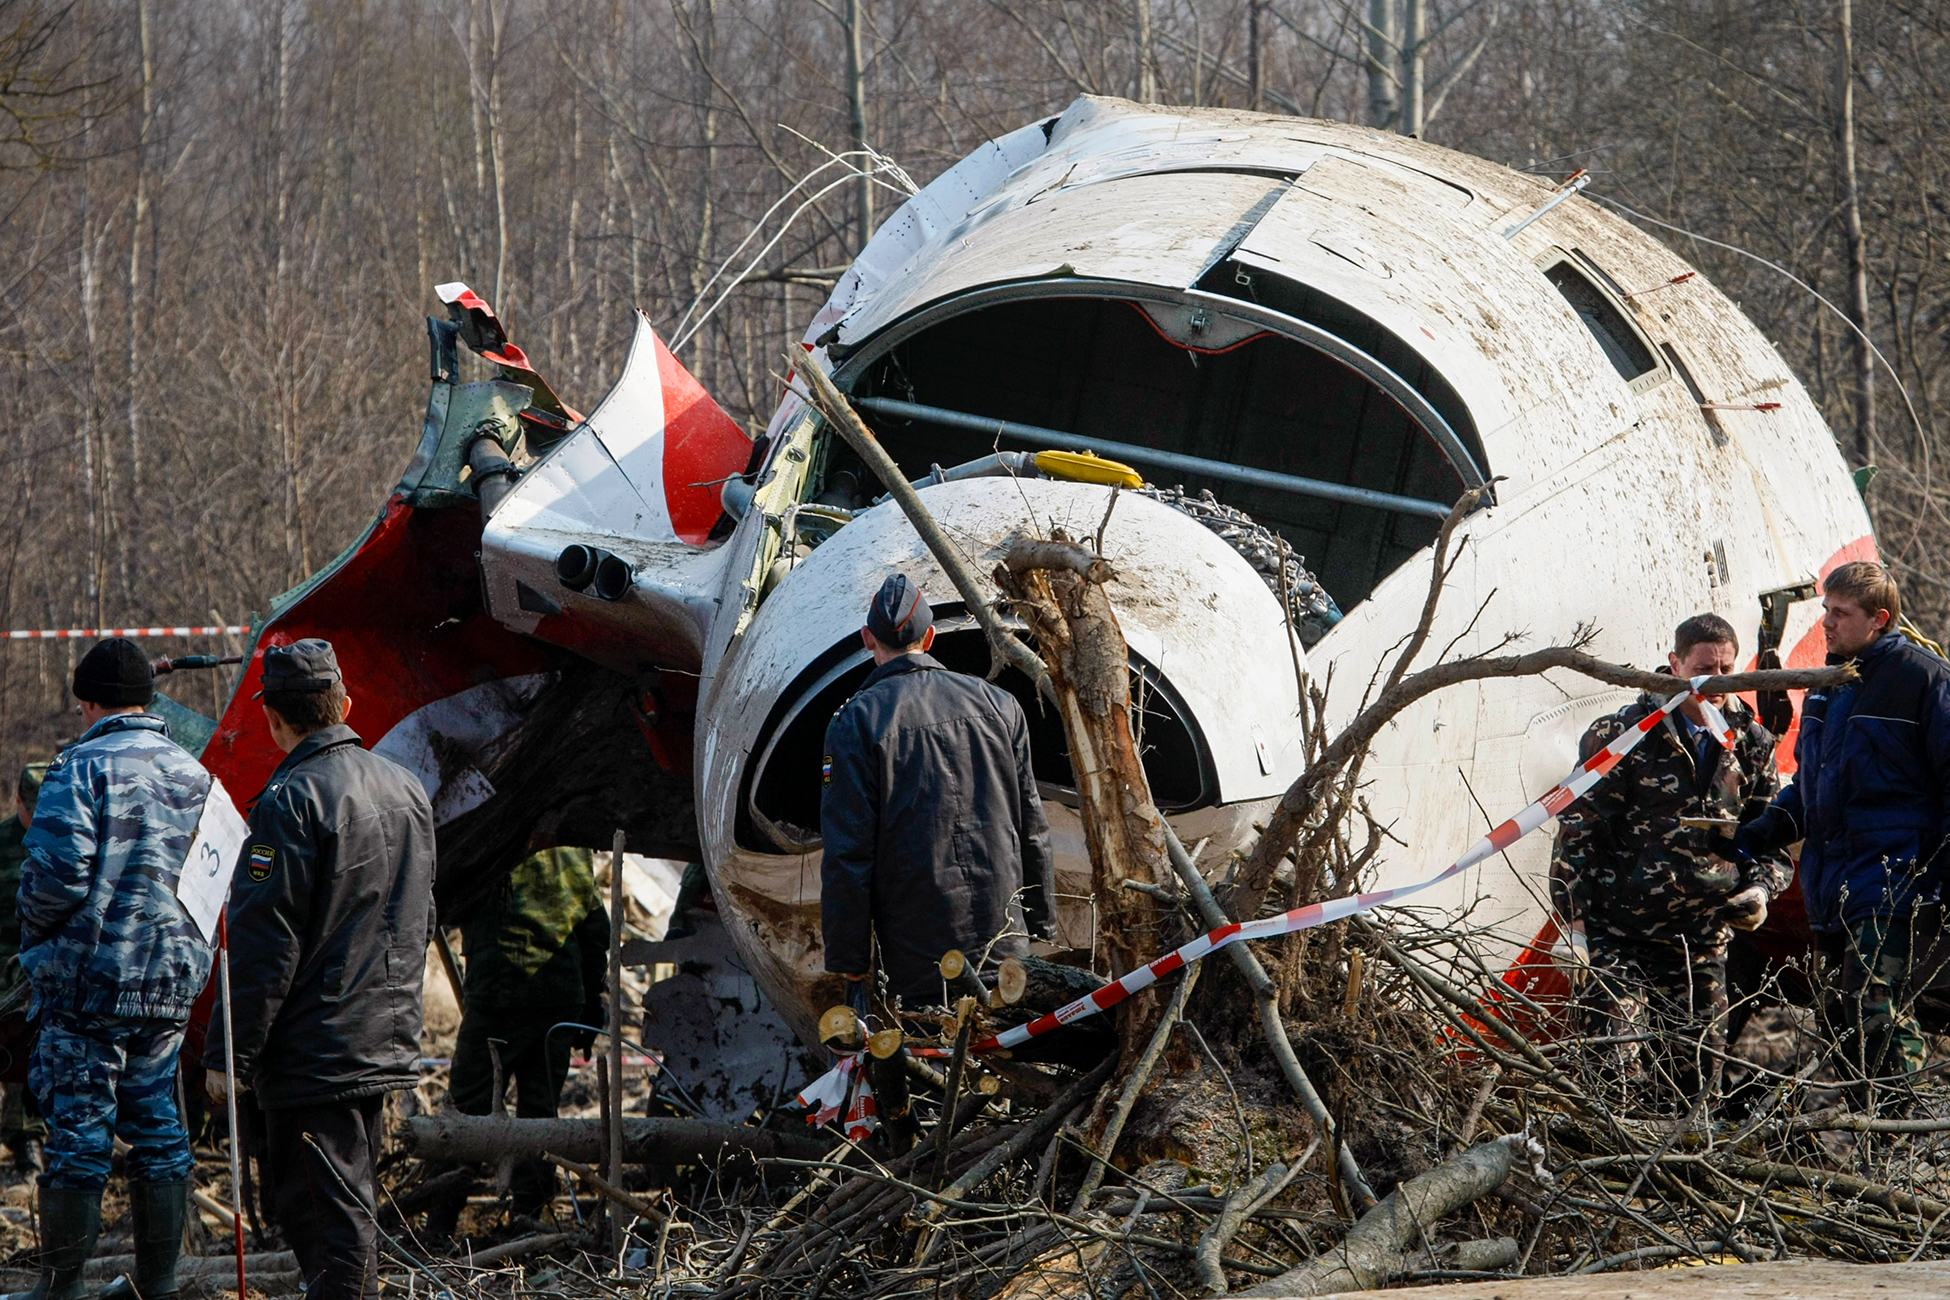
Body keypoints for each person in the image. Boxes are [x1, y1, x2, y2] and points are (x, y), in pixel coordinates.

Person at [204, 639, 436, 1300]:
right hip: (378, 1033)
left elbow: (263, 941)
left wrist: (230, 1052)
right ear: (346, 704)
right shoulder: (407, 786)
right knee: (348, 1211)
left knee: (323, 1222)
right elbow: (419, 913)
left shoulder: (291, 800)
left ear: (275, 721)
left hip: (316, 1049)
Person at [9, 640, 216, 1300]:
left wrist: (38, 945)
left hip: (90, 982)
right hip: (172, 981)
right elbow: (220, 879)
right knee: (159, 1130)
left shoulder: (79, 768)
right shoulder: (197, 774)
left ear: (89, 702)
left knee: (77, 1136)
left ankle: (61, 1287)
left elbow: (54, 879)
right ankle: (160, 1285)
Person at [1551, 614, 1793, 1106]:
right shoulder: (1625, 734)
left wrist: (1759, 889)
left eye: (1727, 669)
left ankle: (1680, 1172)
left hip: (1699, 940)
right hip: (1617, 934)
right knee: (1614, 1074)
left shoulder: (1751, 744)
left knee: (1696, 1082)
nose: (1717, 683)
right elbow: (1578, 829)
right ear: (1675, 665)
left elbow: (1769, 838)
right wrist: (1572, 925)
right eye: (1704, 669)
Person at [1736, 562, 1950, 1098]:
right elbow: (1810, 792)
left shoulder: (1922, 678)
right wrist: (1756, 834)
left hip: (1894, 877)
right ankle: (1871, 1143)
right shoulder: (1828, 685)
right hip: (1830, 883)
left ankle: (1897, 1134)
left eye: (1840, 613)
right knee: (1839, 1021)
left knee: (1872, 1007)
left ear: (1878, 619)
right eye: (1825, 610)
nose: (1826, 624)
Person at [820, 573, 1055, 1006]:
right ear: (929, 637)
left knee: (932, 1060)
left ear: (867, 638)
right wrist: (1041, 920)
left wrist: (850, 956)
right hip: (1005, 938)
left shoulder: (854, 722)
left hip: (919, 957)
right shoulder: (998, 704)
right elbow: (1031, 823)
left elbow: (847, 854)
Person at [426, 831, 607, 1238]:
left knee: (466, 1113)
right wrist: (591, 1002)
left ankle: (439, 1225)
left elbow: (451, 898)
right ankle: (530, 1217)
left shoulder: (497, 832)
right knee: (540, 1115)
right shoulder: (572, 842)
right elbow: (595, 922)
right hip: (559, 992)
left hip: (500, 989)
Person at [0, 761, 48, 1174]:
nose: (39, 818)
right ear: (19, 801)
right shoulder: (2, 842)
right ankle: (24, 1137)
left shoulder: (64, 839)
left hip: (45, 965)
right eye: (34, 809)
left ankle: (30, 1134)